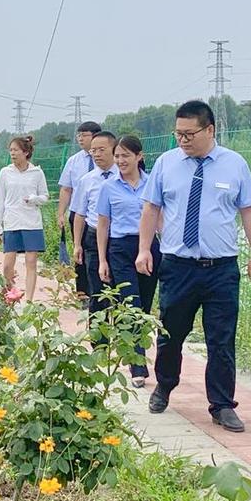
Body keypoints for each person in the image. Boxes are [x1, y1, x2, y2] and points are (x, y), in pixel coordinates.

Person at [136, 100, 251, 433]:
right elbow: (151, 209)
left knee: (221, 339)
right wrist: (143, 250)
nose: (183, 140)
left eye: (189, 134)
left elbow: (249, 211)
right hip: (178, 266)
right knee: (171, 333)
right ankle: (164, 385)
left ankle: (222, 404)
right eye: (178, 134)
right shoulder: (167, 163)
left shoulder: (234, 164)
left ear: (210, 130)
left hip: (221, 269)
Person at [96, 135, 161, 388]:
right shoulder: (108, 187)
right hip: (120, 248)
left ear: (139, 156)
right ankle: (138, 366)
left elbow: (161, 217)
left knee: (144, 306)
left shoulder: (152, 184)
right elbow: (103, 225)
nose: (121, 160)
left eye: (126, 155)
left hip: (149, 247)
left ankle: (131, 349)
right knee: (130, 303)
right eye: (118, 156)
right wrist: (102, 259)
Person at [0, 136, 49, 301]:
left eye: (16, 150)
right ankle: (11, 294)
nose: (12, 153)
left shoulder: (37, 173)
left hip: (31, 222)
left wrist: (34, 199)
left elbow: (45, 196)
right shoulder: (5, 172)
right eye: (10, 150)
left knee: (31, 262)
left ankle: (30, 301)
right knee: (7, 265)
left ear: (26, 152)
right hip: (11, 222)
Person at [70, 131, 118, 316]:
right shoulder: (87, 180)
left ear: (113, 150)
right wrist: (77, 244)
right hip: (93, 237)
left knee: (120, 289)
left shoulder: (123, 177)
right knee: (97, 290)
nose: (96, 154)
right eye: (93, 151)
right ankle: (99, 341)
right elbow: (80, 214)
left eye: (101, 150)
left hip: (118, 237)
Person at [57, 121, 102, 301]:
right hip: (78, 213)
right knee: (80, 251)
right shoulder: (74, 161)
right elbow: (66, 189)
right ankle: (83, 292)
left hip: (100, 214)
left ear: (96, 136)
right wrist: (61, 213)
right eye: (79, 135)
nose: (80, 138)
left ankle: (100, 292)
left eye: (84, 134)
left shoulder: (109, 159)